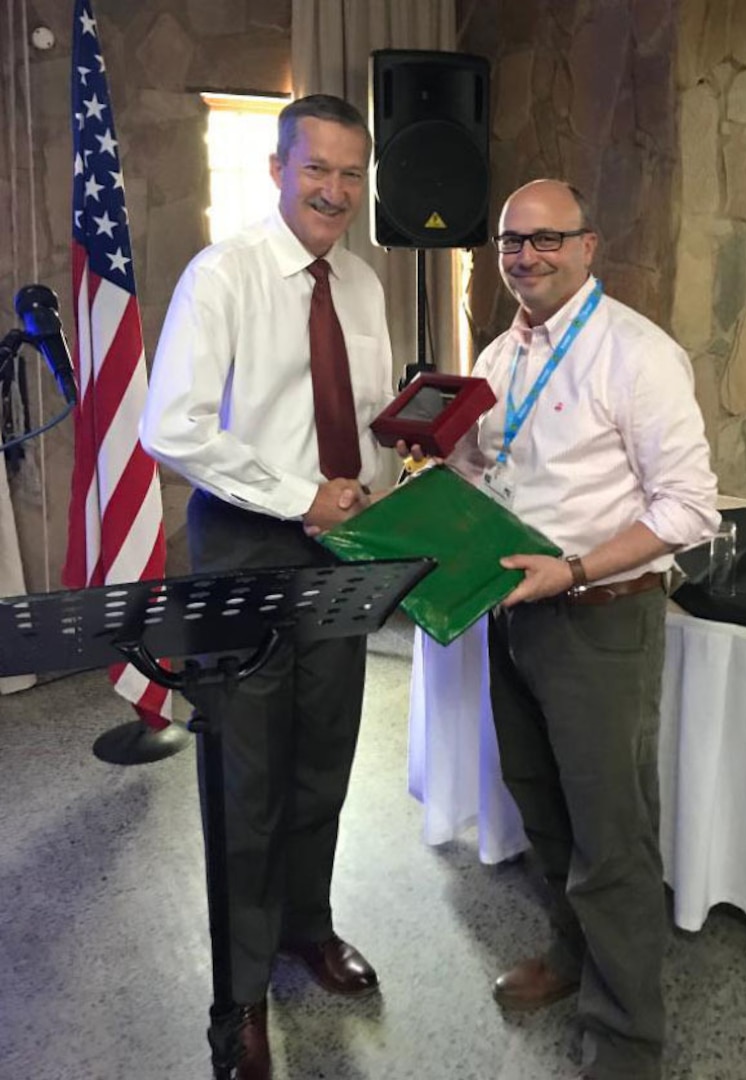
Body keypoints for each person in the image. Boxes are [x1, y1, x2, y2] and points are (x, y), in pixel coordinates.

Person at [140, 94, 393, 1079]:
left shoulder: (364, 285)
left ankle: (307, 929)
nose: (333, 190)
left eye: (350, 175)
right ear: (277, 168)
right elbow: (176, 427)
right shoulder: (224, 276)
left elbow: (364, 421)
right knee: (245, 780)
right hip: (246, 546)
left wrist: (400, 460)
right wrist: (299, 498)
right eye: (315, 168)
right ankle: (237, 995)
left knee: (324, 753)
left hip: (343, 551)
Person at [446, 180, 719, 1080]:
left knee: (611, 838)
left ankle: (628, 1042)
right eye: (510, 243)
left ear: (588, 245)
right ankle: (572, 958)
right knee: (543, 810)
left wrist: (572, 569)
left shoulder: (636, 354)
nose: (526, 257)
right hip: (513, 617)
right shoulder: (497, 356)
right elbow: (491, 469)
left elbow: (689, 509)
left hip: (600, 619)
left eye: (546, 239)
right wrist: (440, 462)